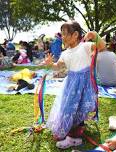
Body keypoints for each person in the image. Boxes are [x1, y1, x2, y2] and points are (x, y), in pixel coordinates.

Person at [44, 21, 106, 149]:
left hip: (83, 85)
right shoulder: (65, 53)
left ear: (75, 34)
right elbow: (58, 67)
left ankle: (74, 138)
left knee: (79, 108)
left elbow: (101, 46)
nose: (62, 37)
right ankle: (73, 130)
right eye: (61, 34)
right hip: (71, 85)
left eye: (65, 34)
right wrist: (51, 64)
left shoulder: (85, 47)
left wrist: (94, 34)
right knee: (68, 108)